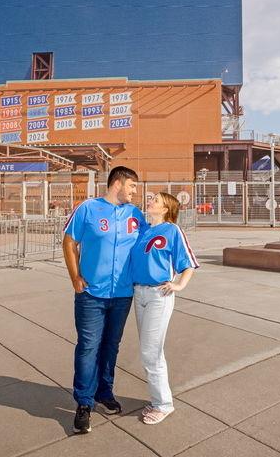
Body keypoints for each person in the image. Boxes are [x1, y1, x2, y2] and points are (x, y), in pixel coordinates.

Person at [62, 166, 149, 434]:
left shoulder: (135, 215)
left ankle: (104, 392)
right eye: (132, 185)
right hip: (91, 294)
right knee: (89, 347)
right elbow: (68, 242)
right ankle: (84, 403)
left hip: (122, 295)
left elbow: (150, 241)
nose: (135, 191)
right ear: (119, 183)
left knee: (111, 346)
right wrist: (75, 277)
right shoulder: (88, 209)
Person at [129, 191, 198, 424]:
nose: (150, 201)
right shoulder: (143, 230)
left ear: (166, 208)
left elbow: (187, 263)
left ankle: (163, 404)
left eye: (155, 200)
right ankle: (158, 399)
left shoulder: (172, 230)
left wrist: (180, 285)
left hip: (159, 294)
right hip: (139, 293)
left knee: (151, 352)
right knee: (148, 350)